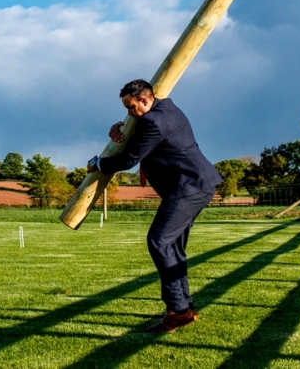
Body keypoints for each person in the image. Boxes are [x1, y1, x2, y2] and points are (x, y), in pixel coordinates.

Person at [86, 79, 222, 333]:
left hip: (188, 188)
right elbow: (143, 140)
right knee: (173, 246)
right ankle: (183, 307)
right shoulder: (166, 109)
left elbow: (129, 159)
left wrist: (99, 162)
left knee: (158, 241)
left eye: (130, 107)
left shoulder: (153, 121)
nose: (128, 113)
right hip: (196, 185)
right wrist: (124, 131)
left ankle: (179, 310)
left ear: (145, 100)